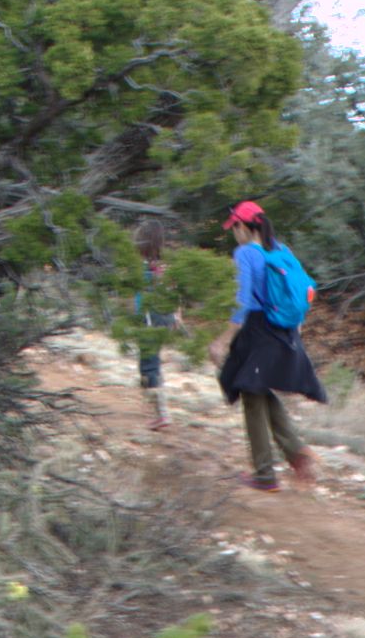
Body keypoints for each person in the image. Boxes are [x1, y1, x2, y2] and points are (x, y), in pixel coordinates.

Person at [206, 200, 324, 491]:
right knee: (256, 389)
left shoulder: (246, 253)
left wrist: (223, 339)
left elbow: (245, 300)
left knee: (251, 392)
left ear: (245, 226)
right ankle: (295, 452)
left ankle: (265, 474)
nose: (234, 233)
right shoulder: (281, 250)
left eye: (234, 226)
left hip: (257, 330)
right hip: (283, 330)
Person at [133, 219, 184, 431]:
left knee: (149, 365)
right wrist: (177, 315)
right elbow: (175, 291)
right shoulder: (165, 265)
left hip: (150, 318)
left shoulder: (147, 267)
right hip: (163, 317)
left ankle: (160, 412)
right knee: (151, 362)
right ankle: (155, 409)